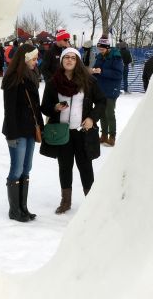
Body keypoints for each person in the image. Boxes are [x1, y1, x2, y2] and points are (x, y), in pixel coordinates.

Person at [40, 47, 106, 214]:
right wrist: (54, 107)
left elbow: (101, 101)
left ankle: (91, 202)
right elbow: (45, 107)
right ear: (62, 61)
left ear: (77, 61)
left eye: (73, 58)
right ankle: (66, 201)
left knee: (85, 167)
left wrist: (92, 118)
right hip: (62, 133)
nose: (69, 60)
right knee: (65, 166)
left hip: (82, 132)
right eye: (66, 58)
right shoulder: (53, 82)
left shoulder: (88, 81)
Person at [1, 43, 43, 222]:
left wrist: (40, 126)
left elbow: (35, 106)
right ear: (25, 59)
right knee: (17, 168)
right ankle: (14, 210)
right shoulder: (13, 78)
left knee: (27, 167)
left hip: (30, 129)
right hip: (17, 130)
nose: (36, 61)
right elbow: (9, 110)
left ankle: (23, 207)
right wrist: (11, 134)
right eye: (33, 58)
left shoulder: (32, 75)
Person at [92, 36, 123, 147]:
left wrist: (102, 71)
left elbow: (118, 74)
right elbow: (96, 68)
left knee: (109, 113)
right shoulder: (100, 56)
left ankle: (112, 136)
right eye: (99, 48)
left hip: (111, 90)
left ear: (107, 47)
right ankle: (104, 135)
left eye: (102, 48)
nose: (100, 50)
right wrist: (93, 70)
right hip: (101, 89)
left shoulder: (116, 57)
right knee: (101, 113)